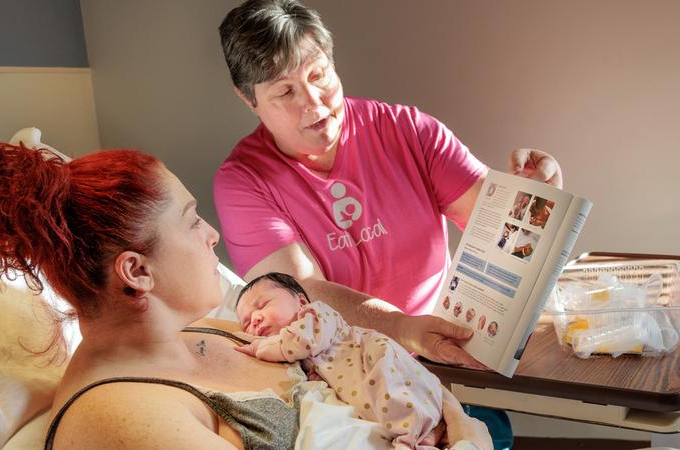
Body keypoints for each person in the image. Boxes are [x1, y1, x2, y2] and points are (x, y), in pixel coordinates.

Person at [0, 143, 492, 450]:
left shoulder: (218, 332)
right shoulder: (120, 419)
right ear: (137, 271)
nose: (212, 236)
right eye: (192, 219)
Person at [215, 1, 562, 447]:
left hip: (442, 361)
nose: (313, 103)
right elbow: (300, 289)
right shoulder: (243, 181)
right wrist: (399, 327)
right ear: (248, 99)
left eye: (319, 75)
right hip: (340, 381)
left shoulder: (409, 131)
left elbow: (501, 235)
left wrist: (537, 195)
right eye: (285, 93)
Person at [234, 272, 445, 449]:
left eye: (262, 305)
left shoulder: (315, 315)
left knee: (392, 392)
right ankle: (423, 435)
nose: (255, 319)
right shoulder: (296, 358)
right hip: (364, 391)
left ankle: (413, 436)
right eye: (246, 324)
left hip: (376, 359)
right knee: (385, 409)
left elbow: (302, 340)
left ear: (300, 301)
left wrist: (258, 347)